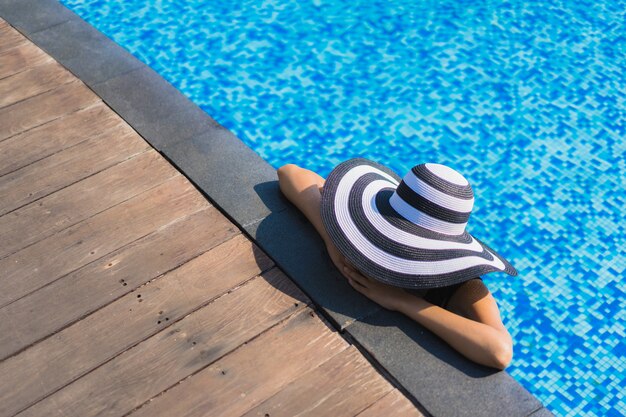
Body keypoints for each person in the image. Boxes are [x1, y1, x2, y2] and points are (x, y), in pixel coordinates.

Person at [277, 159, 517, 370]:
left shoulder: (461, 285)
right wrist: (332, 237)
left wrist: (402, 302)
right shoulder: (362, 232)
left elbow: (499, 352)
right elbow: (290, 173)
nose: (391, 248)